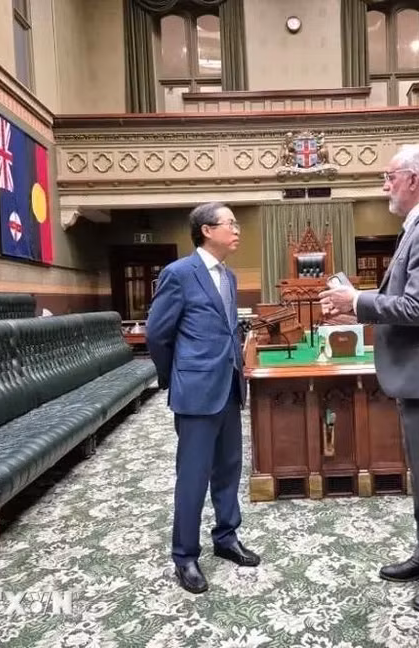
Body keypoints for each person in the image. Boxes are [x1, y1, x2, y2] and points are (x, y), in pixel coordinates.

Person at [318, 144, 419, 613]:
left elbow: (415, 308)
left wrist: (356, 302)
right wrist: (358, 298)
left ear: (413, 179)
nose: (384, 184)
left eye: (389, 176)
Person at [146, 202, 260, 595]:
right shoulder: (178, 274)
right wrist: (174, 378)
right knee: (193, 476)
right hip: (195, 392)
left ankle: (226, 537)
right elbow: (158, 335)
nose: (237, 229)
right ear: (207, 230)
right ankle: (185, 556)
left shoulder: (227, 275)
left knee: (229, 469)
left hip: (229, 386)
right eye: (231, 223)